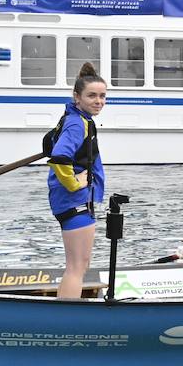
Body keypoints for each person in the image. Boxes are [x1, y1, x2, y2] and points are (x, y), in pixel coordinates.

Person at [48, 63, 107, 299]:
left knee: (77, 267)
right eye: (92, 96)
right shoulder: (76, 123)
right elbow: (59, 157)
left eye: (103, 96)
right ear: (77, 97)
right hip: (75, 200)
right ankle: (65, 319)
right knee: (77, 268)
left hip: (73, 201)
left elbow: (48, 144)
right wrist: (75, 183)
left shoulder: (75, 118)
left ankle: (62, 314)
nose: (98, 101)